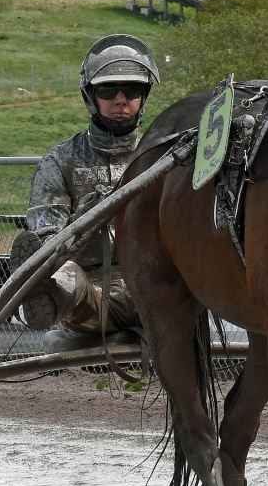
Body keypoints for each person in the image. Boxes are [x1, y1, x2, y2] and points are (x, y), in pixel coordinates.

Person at [10, 34, 160, 340]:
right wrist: (83, 221)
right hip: (89, 292)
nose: (121, 99)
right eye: (108, 90)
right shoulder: (60, 160)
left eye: (132, 90)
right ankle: (47, 295)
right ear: (90, 96)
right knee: (66, 276)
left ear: (143, 96)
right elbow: (44, 237)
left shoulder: (162, 157)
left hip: (154, 288)